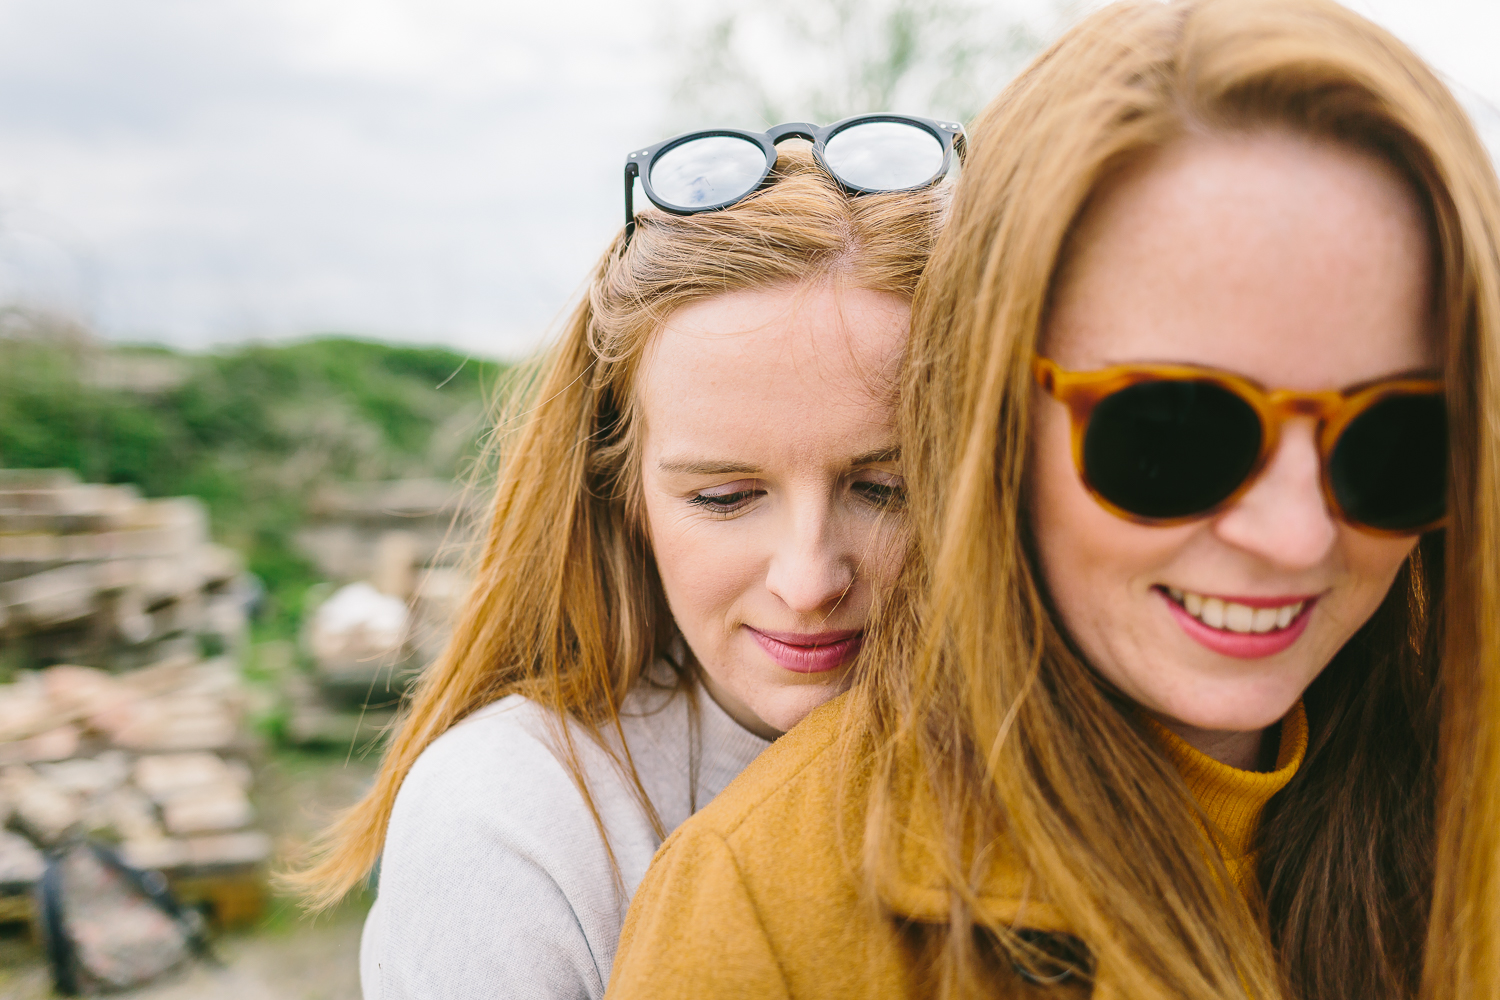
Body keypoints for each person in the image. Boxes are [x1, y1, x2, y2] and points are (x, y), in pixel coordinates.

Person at [606, 1, 1500, 998]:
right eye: (1171, 434)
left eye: (1398, 441)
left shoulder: (1466, 816)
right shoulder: (763, 917)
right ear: (987, 407)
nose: (1294, 535)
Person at [288, 116, 960, 999]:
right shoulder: (512, 821)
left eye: (887, 488)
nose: (808, 582)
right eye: (725, 497)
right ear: (621, 491)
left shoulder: (1107, 746)